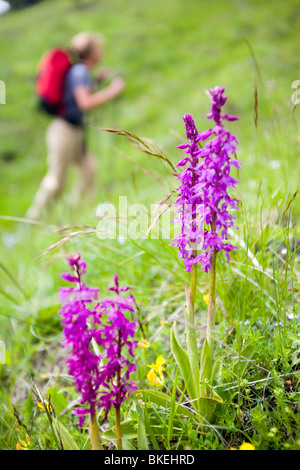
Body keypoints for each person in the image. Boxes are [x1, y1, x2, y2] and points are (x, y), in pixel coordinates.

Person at [26, 32, 125, 220]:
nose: (101, 51)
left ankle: (73, 216)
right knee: (57, 181)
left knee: (89, 170)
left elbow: (76, 98)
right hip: (65, 131)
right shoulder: (80, 71)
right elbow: (84, 103)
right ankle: (33, 221)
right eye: (98, 48)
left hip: (74, 131)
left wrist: (97, 82)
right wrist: (113, 90)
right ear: (91, 52)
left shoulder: (80, 71)